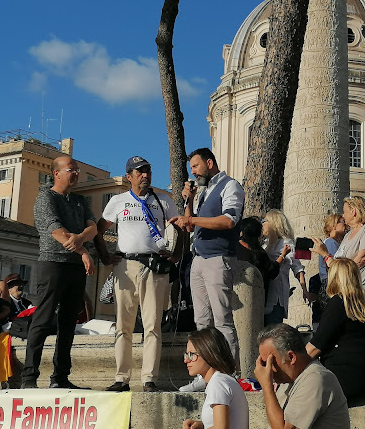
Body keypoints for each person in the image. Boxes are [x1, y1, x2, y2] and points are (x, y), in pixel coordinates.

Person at [95, 156, 181, 392]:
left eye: (148, 171)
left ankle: (149, 379)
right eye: (139, 171)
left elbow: (180, 228)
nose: (145, 175)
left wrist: (176, 255)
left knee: (153, 324)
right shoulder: (118, 200)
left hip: (154, 267)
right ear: (129, 176)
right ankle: (121, 378)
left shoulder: (163, 201)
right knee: (123, 324)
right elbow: (98, 230)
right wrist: (104, 257)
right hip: (125, 265)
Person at [171, 147, 244, 392]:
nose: (193, 172)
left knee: (223, 319)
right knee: (202, 322)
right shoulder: (203, 192)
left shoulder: (230, 186)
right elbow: (190, 229)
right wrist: (189, 202)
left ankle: (230, 375)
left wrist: (191, 220)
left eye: (195, 166)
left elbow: (229, 220)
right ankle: (206, 376)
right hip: (199, 258)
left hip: (218, 258)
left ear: (209, 163)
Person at [23, 156, 97, 389]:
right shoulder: (45, 197)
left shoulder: (80, 200)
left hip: (75, 268)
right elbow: (55, 230)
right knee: (43, 320)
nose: (76, 174)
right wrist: (84, 251)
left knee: (68, 323)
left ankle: (60, 377)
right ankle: (29, 378)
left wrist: (80, 238)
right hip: (52, 264)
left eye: (77, 170)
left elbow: (93, 227)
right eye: (71, 170)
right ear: (56, 173)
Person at [305, 258, 365, 403]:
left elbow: (316, 346)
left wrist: (288, 369)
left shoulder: (339, 303)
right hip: (364, 377)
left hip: (343, 377)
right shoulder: (363, 304)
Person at [254, 323, 350, 429]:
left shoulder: (316, 379)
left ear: (291, 357)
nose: (268, 370)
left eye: (271, 363)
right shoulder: (290, 377)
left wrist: (267, 387)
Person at [312, 196, 365, 299]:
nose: (343, 216)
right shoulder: (348, 235)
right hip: (344, 287)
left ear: (353, 211)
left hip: (359, 287)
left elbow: (363, 258)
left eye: (344, 211)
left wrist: (326, 255)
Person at [182, 327, 249, 429]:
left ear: (207, 353)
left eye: (192, 355)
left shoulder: (218, 383)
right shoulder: (221, 380)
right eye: (186, 354)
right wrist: (201, 425)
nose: (186, 360)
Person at [262, 209, 309, 326]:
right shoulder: (266, 242)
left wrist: (304, 289)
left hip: (276, 296)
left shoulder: (286, 243)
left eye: (265, 221)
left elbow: (297, 267)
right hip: (263, 293)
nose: (262, 224)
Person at [235, 217, 287, 304]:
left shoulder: (233, 249)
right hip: (256, 301)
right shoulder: (260, 253)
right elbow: (272, 271)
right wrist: (283, 255)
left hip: (235, 297)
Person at [310, 213, 346, 328]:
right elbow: (331, 264)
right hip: (330, 281)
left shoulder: (332, 242)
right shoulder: (330, 242)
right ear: (334, 226)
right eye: (342, 222)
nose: (346, 225)